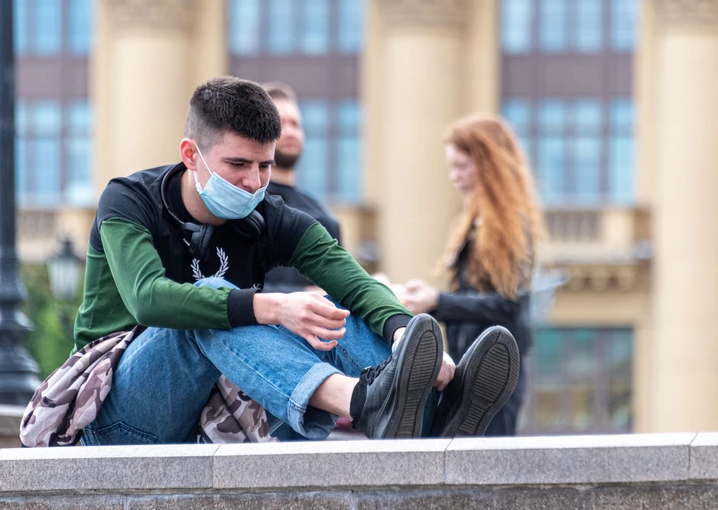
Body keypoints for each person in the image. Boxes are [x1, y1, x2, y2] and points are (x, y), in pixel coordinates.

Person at [74, 77, 518, 445]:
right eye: (238, 164)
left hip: (216, 418)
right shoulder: (129, 201)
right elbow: (149, 300)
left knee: (334, 307)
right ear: (192, 155)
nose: (253, 182)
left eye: (264, 166)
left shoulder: (270, 217)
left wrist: (402, 333)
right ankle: (362, 403)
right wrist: (273, 308)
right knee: (212, 298)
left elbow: (355, 282)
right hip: (117, 416)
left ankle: (433, 415)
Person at [398, 114, 541, 437]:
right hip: (475, 366)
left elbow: (509, 304)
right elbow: (479, 296)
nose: (453, 176)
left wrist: (438, 301)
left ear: (488, 164)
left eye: (461, 166)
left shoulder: (510, 225)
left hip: (496, 374)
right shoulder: (479, 220)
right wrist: (435, 299)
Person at [260, 82, 341, 294]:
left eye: (295, 124)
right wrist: (304, 296)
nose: (290, 132)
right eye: (280, 124)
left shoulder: (322, 213)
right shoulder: (244, 204)